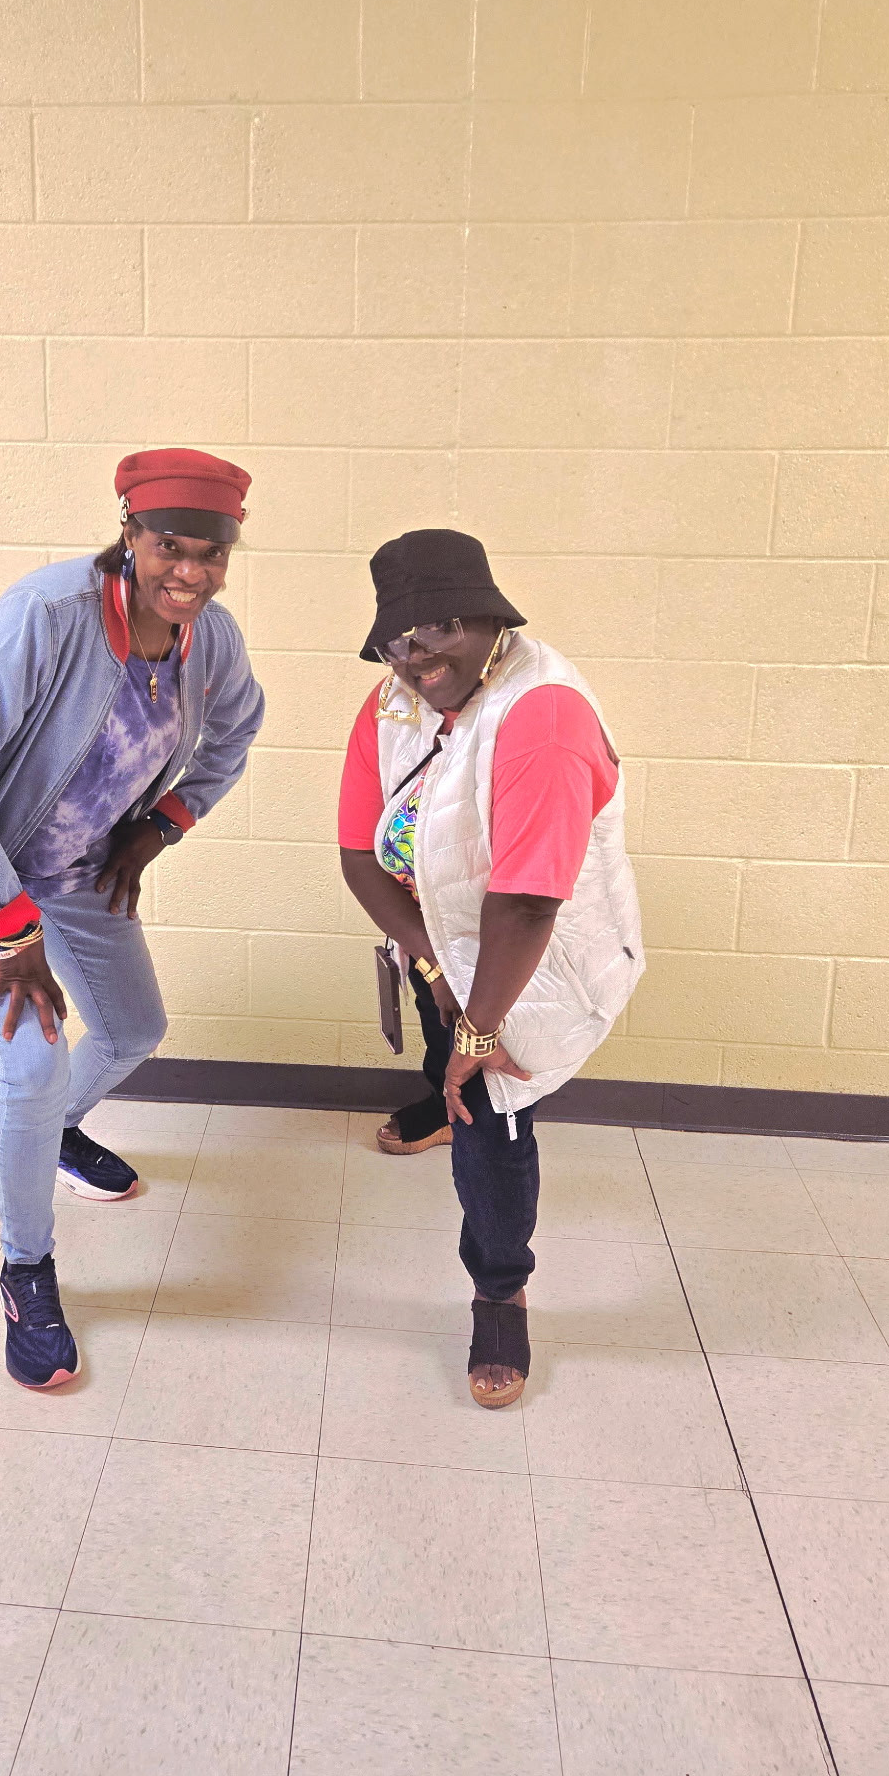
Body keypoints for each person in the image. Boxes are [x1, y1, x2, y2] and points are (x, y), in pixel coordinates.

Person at [0, 449, 264, 1390]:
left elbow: (238, 731)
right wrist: (12, 931)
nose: (191, 573)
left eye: (212, 554)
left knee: (134, 1028)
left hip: (76, 862)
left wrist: (159, 827)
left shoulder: (210, 641)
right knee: (32, 1061)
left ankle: (54, 1133)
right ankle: (27, 1271)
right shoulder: (45, 617)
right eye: (171, 547)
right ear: (130, 534)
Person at [338, 530, 643, 1408]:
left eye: (439, 626)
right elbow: (360, 857)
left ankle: (500, 1288)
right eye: (398, 638)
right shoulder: (391, 706)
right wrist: (435, 966)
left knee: (492, 1118)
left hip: (535, 959)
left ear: (489, 619)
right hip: (443, 934)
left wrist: (476, 1029)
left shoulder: (542, 716)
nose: (417, 655)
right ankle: (443, 1090)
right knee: (445, 1048)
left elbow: (527, 906)